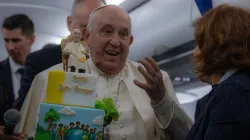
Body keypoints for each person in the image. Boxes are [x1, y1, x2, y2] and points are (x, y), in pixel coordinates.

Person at [15, 5, 193, 140]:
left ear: (130, 41)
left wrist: (160, 100)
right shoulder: (51, 78)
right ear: (86, 36)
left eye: (123, 35)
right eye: (107, 31)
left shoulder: (155, 80)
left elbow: (185, 136)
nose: (115, 42)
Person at [13, 0, 106, 111]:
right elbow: (22, 112)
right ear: (69, 23)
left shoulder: (113, 64)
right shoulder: (39, 62)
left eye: (100, 29)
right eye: (84, 28)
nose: (89, 36)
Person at [185, 4, 250, 140]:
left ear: (216, 48)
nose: (195, 53)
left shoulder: (233, 90)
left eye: (199, 44)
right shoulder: (213, 98)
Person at [0, 14, 35, 125]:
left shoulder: (43, 73)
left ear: (31, 40)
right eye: (6, 40)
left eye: (15, 40)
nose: (10, 47)